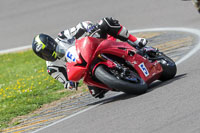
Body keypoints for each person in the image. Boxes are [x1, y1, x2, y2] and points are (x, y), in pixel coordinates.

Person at [32, 17, 148, 99]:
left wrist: (89, 27)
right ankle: (121, 78)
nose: (47, 54)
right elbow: (65, 81)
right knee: (96, 92)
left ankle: (135, 41)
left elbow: (81, 26)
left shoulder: (63, 37)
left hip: (92, 48)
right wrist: (70, 84)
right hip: (86, 70)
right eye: (43, 54)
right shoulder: (52, 68)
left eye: (46, 50)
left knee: (105, 23)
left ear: (51, 43)